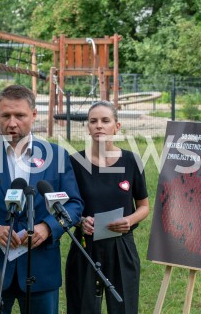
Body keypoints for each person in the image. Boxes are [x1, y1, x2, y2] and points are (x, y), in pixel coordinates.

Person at [0, 84, 83, 314]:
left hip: (40, 268)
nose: (12, 123)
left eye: (20, 115)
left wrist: (48, 228)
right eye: (6, 116)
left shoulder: (57, 155)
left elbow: (74, 204)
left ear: (33, 115)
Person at [65, 101, 150, 314]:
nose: (99, 126)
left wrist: (129, 220)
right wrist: (80, 221)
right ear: (87, 127)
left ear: (117, 126)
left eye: (105, 121)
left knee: (124, 307)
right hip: (86, 245)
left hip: (121, 246)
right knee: (83, 307)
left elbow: (144, 206)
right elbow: (66, 206)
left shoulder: (132, 161)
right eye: (93, 121)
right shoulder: (74, 162)